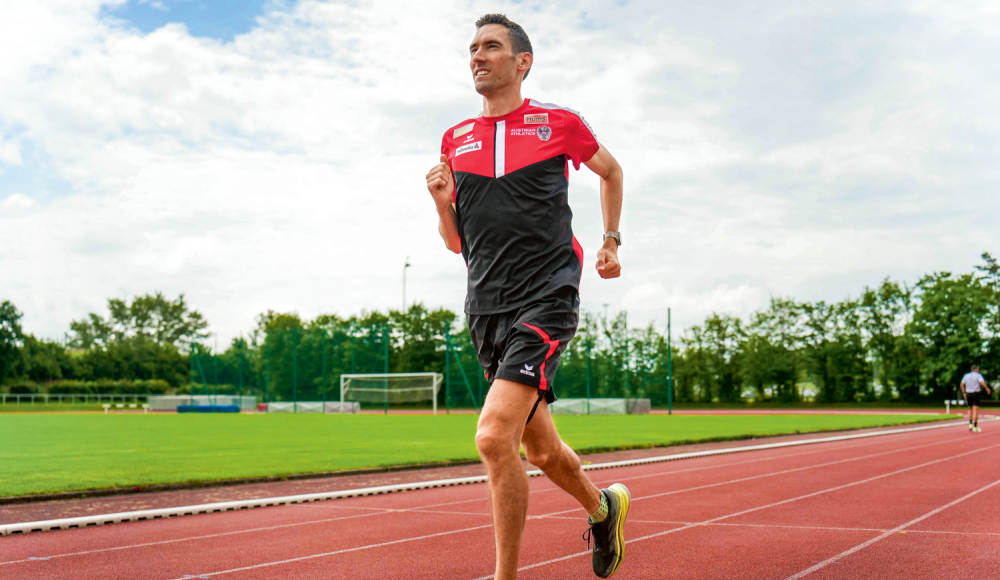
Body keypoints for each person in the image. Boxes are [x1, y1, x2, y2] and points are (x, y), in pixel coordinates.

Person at [424, 13, 630, 579]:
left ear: (522, 62)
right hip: (485, 306)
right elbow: (457, 243)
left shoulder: (557, 123)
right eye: (472, 48)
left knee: (493, 437)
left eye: (490, 46)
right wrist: (442, 202)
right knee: (537, 451)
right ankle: (602, 507)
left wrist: (611, 240)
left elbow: (611, 172)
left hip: (548, 296)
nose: (477, 56)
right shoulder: (455, 139)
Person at [960, 365, 991, 432]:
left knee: (970, 409)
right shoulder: (978, 375)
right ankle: (975, 426)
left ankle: (970, 424)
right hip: (976, 393)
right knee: (975, 410)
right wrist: (987, 388)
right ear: (976, 369)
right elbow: (982, 383)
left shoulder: (966, 375)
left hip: (968, 393)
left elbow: (962, 384)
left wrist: (964, 393)